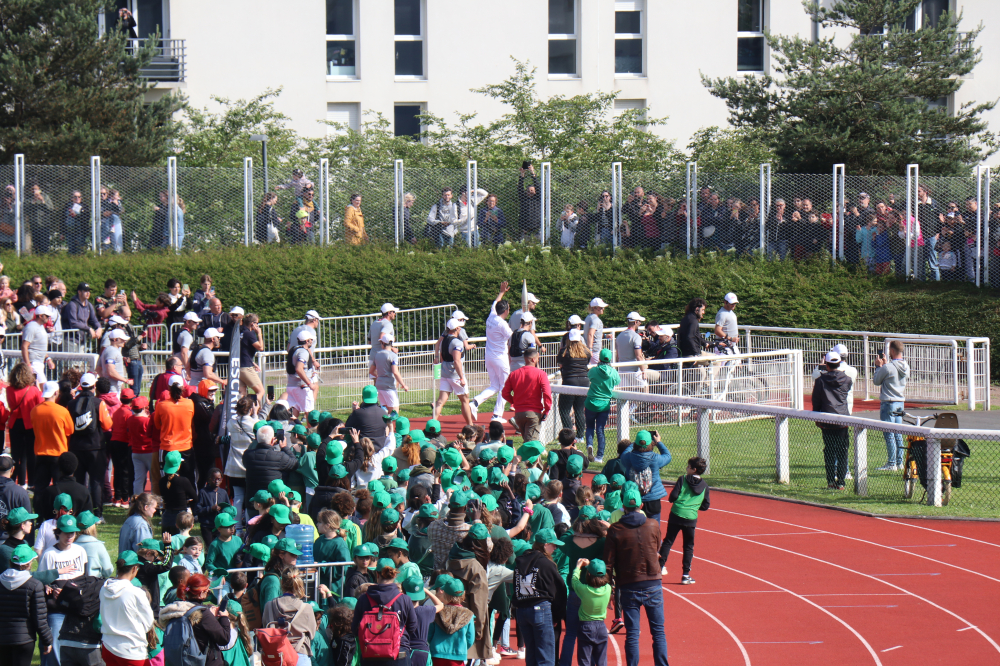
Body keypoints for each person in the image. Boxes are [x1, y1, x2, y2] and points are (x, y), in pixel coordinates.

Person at [603, 487, 668, 666]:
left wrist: (608, 589)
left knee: (632, 633)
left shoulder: (615, 529)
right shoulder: (653, 524)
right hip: (653, 583)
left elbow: (608, 562)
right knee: (658, 632)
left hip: (628, 583)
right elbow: (657, 548)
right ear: (641, 504)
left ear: (623, 506)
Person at [512, 529, 566, 666]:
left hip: (522, 610)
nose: (555, 548)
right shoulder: (547, 564)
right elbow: (559, 590)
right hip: (540, 609)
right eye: (553, 545)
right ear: (545, 545)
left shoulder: (519, 562)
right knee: (545, 655)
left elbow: (515, 587)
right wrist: (557, 615)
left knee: (531, 653)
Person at [351, 558, 418, 666]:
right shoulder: (404, 599)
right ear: (394, 575)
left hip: (371, 655)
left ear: (377, 574)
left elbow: (355, 629)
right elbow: (412, 627)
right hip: (398, 654)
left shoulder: (363, 599)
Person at [658, 456, 710, 585]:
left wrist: (675, 500)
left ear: (693, 469)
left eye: (688, 466)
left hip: (676, 513)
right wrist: (694, 506)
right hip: (691, 518)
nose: (686, 468)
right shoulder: (704, 486)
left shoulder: (682, 479)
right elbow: (706, 505)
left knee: (668, 542)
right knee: (688, 547)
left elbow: (673, 496)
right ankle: (685, 575)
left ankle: (658, 569)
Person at [67, 373, 113, 515]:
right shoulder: (99, 403)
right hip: (95, 447)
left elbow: (69, 427)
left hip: (76, 448)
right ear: (94, 387)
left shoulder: (71, 403)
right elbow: (107, 425)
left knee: (79, 482)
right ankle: (97, 513)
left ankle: (79, 511)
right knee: (96, 482)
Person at [99, 551, 155, 666]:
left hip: (108, 646)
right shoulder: (136, 593)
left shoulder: (104, 589)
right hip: (132, 650)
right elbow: (149, 623)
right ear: (135, 569)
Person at [0, 544, 52, 666]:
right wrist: (47, 640)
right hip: (24, 640)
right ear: (28, 564)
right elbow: (39, 619)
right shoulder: (34, 585)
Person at [445, 526, 491, 664]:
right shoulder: (475, 568)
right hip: (469, 622)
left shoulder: (451, 559)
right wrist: (478, 630)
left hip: (450, 617)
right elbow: (479, 602)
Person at [471, 282, 513, 422]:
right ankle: (497, 415)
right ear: (506, 311)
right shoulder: (503, 324)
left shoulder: (491, 316)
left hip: (489, 356)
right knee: (505, 386)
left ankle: (475, 402)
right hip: (500, 358)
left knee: (495, 385)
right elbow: (512, 338)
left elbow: (495, 303)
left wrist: (502, 292)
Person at [812, 351, 853, 490]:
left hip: (827, 420)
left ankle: (830, 481)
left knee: (829, 451)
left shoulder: (820, 381)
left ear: (827, 364)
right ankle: (841, 482)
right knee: (842, 451)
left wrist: (817, 417)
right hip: (842, 421)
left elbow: (816, 400)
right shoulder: (847, 379)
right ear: (839, 363)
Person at [262, 568, 317, 664]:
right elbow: (312, 635)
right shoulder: (306, 608)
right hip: (300, 657)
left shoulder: (269, 606)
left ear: (281, 582)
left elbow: (266, 628)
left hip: (277, 658)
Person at [30, 381, 74, 492]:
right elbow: (70, 430)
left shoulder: (35, 410)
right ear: (56, 393)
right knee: (59, 488)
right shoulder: (62, 411)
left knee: (40, 487)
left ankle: (39, 508)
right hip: (58, 453)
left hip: (40, 453)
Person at [618, 431, 672, 523]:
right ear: (651, 443)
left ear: (636, 443)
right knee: (653, 528)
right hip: (653, 498)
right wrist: (658, 442)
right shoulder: (655, 458)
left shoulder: (628, 458)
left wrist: (632, 444)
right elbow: (667, 456)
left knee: (633, 527)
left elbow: (623, 454)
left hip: (634, 499)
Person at [873, 340, 910, 472]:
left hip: (888, 402)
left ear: (892, 351)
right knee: (898, 433)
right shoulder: (906, 366)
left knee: (889, 434)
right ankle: (900, 462)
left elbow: (876, 381)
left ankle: (891, 463)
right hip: (900, 401)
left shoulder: (887, 367)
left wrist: (878, 367)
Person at [154, 376, 196, 487]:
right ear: (183, 388)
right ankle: (191, 502)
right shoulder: (190, 403)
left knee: (167, 479)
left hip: (168, 447)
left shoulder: (161, 405)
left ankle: (169, 502)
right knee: (189, 478)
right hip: (186, 447)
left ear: (168, 388)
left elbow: (157, 425)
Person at [501, 349, 551, 443]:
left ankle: (530, 457)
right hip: (533, 413)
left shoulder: (514, 374)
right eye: (538, 358)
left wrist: (514, 402)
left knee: (528, 441)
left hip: (519, 414)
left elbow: (505, 393)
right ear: (533, 359)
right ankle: (523, 457)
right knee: (531, 444)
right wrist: (547, 409)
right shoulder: (541, 374)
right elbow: (547, 393)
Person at [243, 426, 299, 509]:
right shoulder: (279, 457)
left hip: (253, 502)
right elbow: (295, 463)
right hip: (273, 503)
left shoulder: (247, 455)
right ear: (273, 440)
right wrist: (284, 447)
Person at [570, 559, 612, 666]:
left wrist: (578, 567)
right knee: (602, 661)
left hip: (585, 627)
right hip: (602, 627)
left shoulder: (584, 589)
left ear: (588, 574)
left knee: (584, 660)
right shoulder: (608, 589)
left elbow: (574, 580)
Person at [433, 318, 473, 426]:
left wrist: (436, 358)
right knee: (465, 400)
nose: (460, 329)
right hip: (454, 374)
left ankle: (433, 424)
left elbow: (441, 354)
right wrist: (461, 377)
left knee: (440, 401)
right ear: (456, 329)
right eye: (459, 327)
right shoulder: (457, 343)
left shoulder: (443, 341)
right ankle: (470, 425)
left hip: (444, 373)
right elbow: (457, 361)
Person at [427, 576, 475, 666]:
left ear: (445, 594)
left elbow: (429, 634)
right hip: (458, 655)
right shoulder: (468, 615)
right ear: (463, 594)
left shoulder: (438, 612)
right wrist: (462, 649)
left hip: (437, 654)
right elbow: (470, 639)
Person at [584, 348, 620, 464]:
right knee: (600, 429)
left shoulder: (594, 371)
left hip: (591, 403)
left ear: (599, 358)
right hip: (604, 404)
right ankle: (599, 457)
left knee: (589, 427)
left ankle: (589, 445)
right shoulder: (613, 372)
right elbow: (617, 381)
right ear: (610, 359)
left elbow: (589, 377)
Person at [557, 329, 590, 444]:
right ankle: (580, 436)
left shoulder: (564, 352)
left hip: (569, 383)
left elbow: (560, 363)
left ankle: (568, 436)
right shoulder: (586, 351)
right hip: (584, 383)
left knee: (564, 410)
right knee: (579, 410)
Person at [370, 332, 409, 416]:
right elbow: (395, 372)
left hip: (379, 385)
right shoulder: (393, 356)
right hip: (389, 386)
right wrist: (403, 384)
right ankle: (391, 428)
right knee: (394, 414)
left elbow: (371, 371)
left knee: (385, 412)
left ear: (383, 343)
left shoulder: (377, 355)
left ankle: (385, 428)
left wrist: (379, 376)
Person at [287, 328, 318, 417]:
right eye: (311, 339)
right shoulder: (303, 352)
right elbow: (299, 369)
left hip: (292, 385)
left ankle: (294, 429)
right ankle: (310, 428)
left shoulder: (293, 349)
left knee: (295, 409)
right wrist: (309, 383)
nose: (312, 341)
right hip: (302, 387)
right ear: (307, 341)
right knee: (309, 411)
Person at [62, 284, 102, 354]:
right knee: (71, 364)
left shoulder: (89, 305)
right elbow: (74, 323)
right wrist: (89, 328)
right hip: (71, 340)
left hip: (82, 341)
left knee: (81, 364)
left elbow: (94, 320)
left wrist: (99, 328)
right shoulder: (72, 304)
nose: (88, 293)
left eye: (89, 291)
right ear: (79, 292)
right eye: (85, 291)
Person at [119, 493, 161, 558]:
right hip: (135, 565)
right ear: (146, 507)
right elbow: (144, 551)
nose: (155, 510)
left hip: (125, 563)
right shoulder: (141, 525)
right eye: (154, 508)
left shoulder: (130, 519)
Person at [21, 304, 54, 383]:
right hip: (33, 363)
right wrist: (28, 365)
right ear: (40, 316)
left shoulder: (40, 326)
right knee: (43, 389)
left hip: (39, 363)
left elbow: (40, 346)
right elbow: (24, 346)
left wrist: (48, 359)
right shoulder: (31, 327)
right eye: (47, 316)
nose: (49, 318)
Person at [518, 165, 541, 242]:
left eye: (532, 190)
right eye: (528, 190)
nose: (530, 192)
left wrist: (532, 172)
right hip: (525, 229)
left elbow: (538, 186)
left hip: (537, 229)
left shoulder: (538, 199)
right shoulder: (524, 199)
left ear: (535, 192)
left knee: (537, 246)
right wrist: (522, 174)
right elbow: (520, 188)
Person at [583, 298, 607, 366]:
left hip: (590, 350)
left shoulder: (588, 317)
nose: (603, 309)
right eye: (601, 307)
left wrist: (605, 336)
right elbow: (590, 334)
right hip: (595, 351)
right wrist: (590, 349)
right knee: (602, 370)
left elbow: (593, 334)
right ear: (594, 308)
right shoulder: (596, 320)